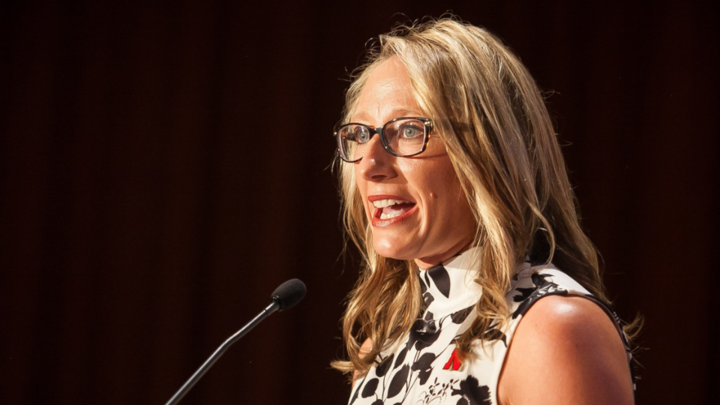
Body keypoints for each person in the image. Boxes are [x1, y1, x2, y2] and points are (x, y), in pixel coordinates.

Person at [331, 17, 637, 405]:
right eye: (360, 134)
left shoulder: (551, 331)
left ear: (487, 152)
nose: (370, 165)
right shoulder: (383, 345)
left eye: (408, 130)